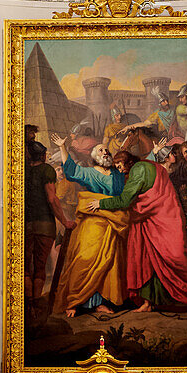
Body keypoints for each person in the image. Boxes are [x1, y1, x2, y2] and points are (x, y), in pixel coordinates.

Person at [89, 153, 187, 315]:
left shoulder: (139, 170)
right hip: (146, 220)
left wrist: (101, 203)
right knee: (145, 258)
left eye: (120, 165)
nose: (119, 169)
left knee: (178, 256)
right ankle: (148, 302)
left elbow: (125, 200)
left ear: (129, 162)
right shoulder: (144, 166)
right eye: (116, 167)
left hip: (165, 217)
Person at [50, 133, 127, 317]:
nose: (105, 152)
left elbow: (126, 192)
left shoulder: (117, 174)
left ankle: (100, 303)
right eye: (101, 150)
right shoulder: (90, 173)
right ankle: (76, 300)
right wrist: (62, 147)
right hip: (94, 222)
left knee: (109, 263)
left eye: (106, 150)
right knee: (85, 259)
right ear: (94, 157)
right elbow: (72, 171)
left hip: (113, 222)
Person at [24, 140, 75, 306]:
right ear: (43, 155)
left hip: (24, 225)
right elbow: (52, 199)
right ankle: (36, 304)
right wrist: (64, 221)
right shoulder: (46, 170)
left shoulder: (23, 170)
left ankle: (28, 304)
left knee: (25, 267)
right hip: (44, 224)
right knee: (40, 266)